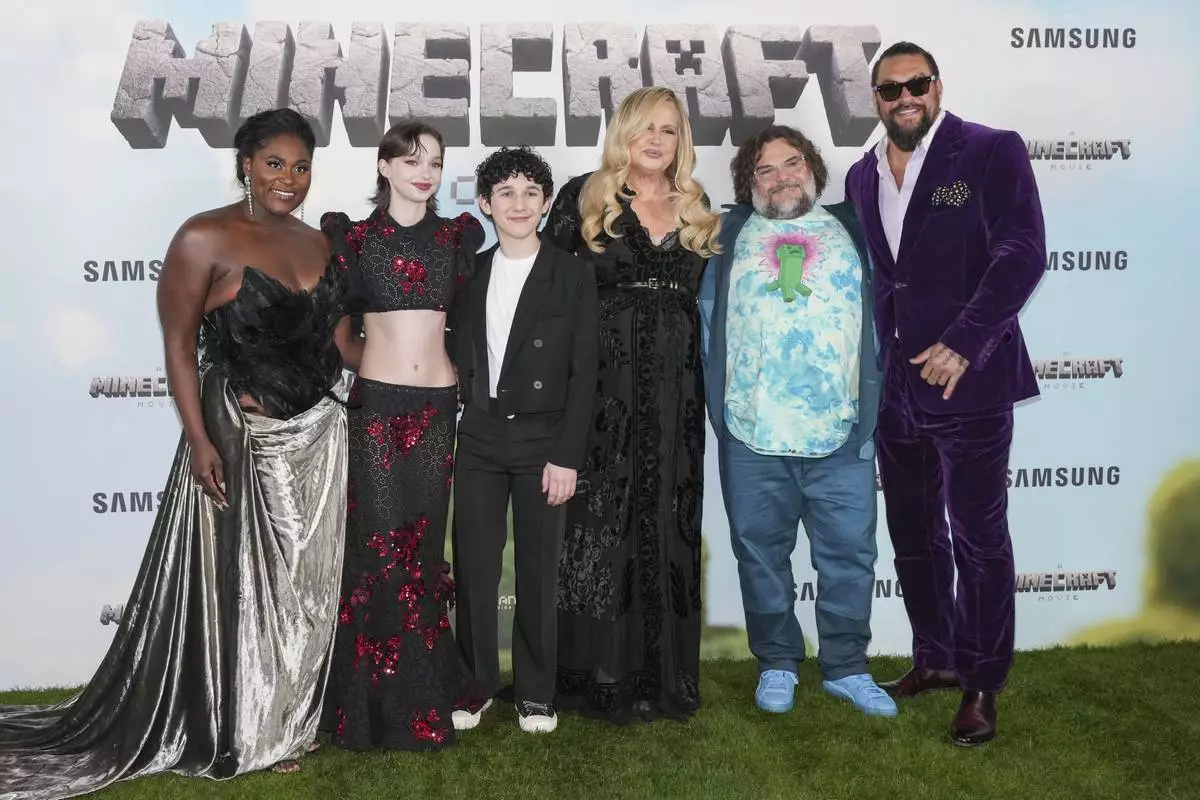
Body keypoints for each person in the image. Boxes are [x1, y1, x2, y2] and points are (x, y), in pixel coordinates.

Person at [0, 108, 358, 797]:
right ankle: (247, 725)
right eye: (274, 164)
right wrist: (199, 440)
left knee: (304, 589)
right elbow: (178, 345)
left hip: (318, 439)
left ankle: (291, 718)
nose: (288, 179)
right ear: (245, 165)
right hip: (242, 436)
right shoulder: (203, 236)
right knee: (248, 591)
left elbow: (342, 345)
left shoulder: (319, 242)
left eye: (301, 166)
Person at [844, 41, 1046, 746]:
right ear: (876, 99)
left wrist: (964, 340)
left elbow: (1022, 251)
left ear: (937, 86)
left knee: (978, 538)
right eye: (890, 89)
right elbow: (883, 277)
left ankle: (983, 683)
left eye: (917, 84)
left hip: (970, 381)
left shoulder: (989, 151)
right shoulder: (862, 173)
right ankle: (936, 656)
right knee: (913, 534)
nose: (905, 97)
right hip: (896, 387)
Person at [698, 125, 895, 719]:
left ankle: (847, 667)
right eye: (765, 169)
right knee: (760, 556)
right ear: (748, 183)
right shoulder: (725, 235)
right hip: (752, 434)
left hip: (842, 435)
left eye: (792, 164)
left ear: (812, 169)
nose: (781, 177)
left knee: (850, 557)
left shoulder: (856, 228)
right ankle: (777, 662)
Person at [545, 86, 721, 723]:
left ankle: (661, 676)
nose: (656, 140)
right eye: (645, 127)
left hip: (677, 394)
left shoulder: (697, 207)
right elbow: (549, 298)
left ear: (681, 141)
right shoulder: (584, 197)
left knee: (668, 515)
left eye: (669, 130)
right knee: (599, 526)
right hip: (602, 394)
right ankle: (598, 676)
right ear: (624, 132)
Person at [319, 120, 485, 751]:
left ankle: (428, 687)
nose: (425, 172)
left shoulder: (458, 236)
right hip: (379, 410)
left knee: (422, 554)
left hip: (438, 409)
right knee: (380, 553)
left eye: (435, 162)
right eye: (411, 160)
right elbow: (338, 330)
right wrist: (370, 367)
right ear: (384, 166)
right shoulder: (352, 239)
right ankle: (372, 704)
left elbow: (468, 324)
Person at [449, 146, 598, 734]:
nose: (518, 204)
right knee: (474, 568)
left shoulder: (572, 273)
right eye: (505, 193)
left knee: (538, 571)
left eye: (530, 193)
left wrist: (567, 456)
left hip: (544, 439)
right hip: (480, 435)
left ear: (545, 203)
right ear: (485, 203)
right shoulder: (469, 271)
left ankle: (536, 692)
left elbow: (584, 372)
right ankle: (475, 685)